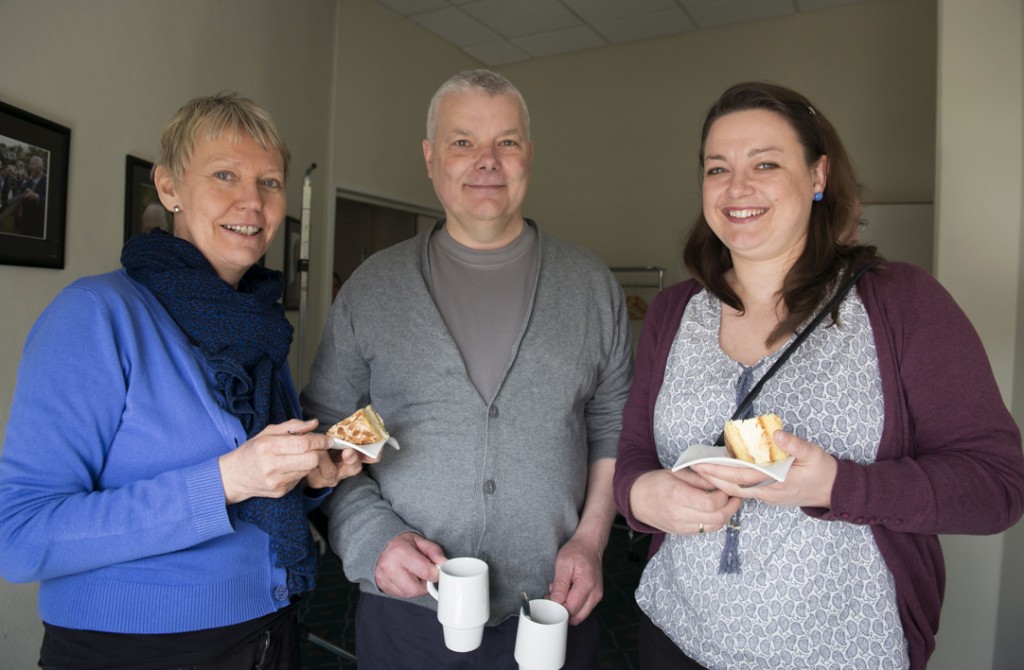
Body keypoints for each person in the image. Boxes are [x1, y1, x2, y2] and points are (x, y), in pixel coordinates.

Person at [612, 81, 1024, 670]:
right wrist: (640, 496)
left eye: (767, 163)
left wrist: (836, 486)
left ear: (819, 175)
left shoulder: (901, 302)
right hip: (676, 633)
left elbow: (997, 488)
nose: (737, 188)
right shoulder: (675, 312)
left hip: (841, 650)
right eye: (717, 168)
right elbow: (632, 454)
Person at [0, 92, 374, 669]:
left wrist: (311, 478)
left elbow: (260, 494)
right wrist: (225, 480)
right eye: (225, 174)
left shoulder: (259, 324)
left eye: (270, 182)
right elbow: (21, 537)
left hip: (273, 632)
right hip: (137, 653)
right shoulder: (94, 315)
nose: (251, 201)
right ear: (169, 187)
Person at [301, 69, 633, 669]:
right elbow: (328, 431)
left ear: (528, 156)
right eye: (462, 142)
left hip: (552, 607)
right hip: (409, 610)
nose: (486, 161)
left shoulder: (590, 286)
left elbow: (613, 423)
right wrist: (370, 537)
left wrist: (591, 539)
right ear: (431, 159)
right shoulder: (373, 288)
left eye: (506, 142)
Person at [14, 153, 47, 237]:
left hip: (38, 229)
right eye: (29, 164)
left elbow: (50, 205)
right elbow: (17, 197)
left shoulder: (47, 183)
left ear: (40, 168)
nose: (29, 167)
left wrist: (36, 197)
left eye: (32, 164)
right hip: (25, 227)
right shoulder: (27, 184)